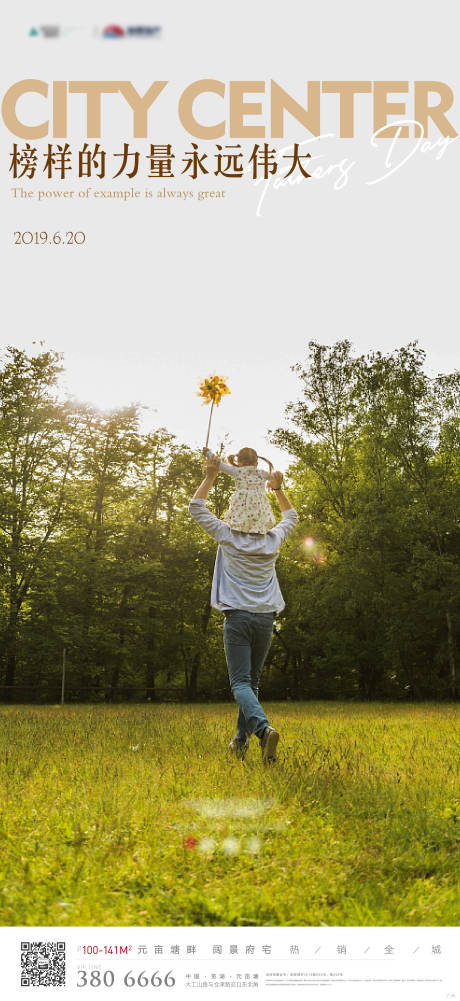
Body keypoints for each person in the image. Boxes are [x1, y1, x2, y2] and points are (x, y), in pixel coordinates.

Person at [189, 453, 298, 763]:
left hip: (237, 617)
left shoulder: (226, 535)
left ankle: (263, 731)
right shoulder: (273, 540)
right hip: (266, 620)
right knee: (251, 684)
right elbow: (291, 517)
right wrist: (277, 489)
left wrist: (210, 474)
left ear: (235, 512)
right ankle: (240, 743)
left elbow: (196, 507)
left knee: (239, 684)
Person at [204, 446, 276, 534]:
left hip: (241, 506)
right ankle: (257, 533)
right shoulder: (262, 473)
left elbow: (219, 464)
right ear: (256, 463)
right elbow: (277, 476)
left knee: (240, 519)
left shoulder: (237, 471)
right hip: (259, 507)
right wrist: (270, 483)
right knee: (259, 518)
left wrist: (208, 453)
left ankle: (241, 535)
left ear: (238, 462)